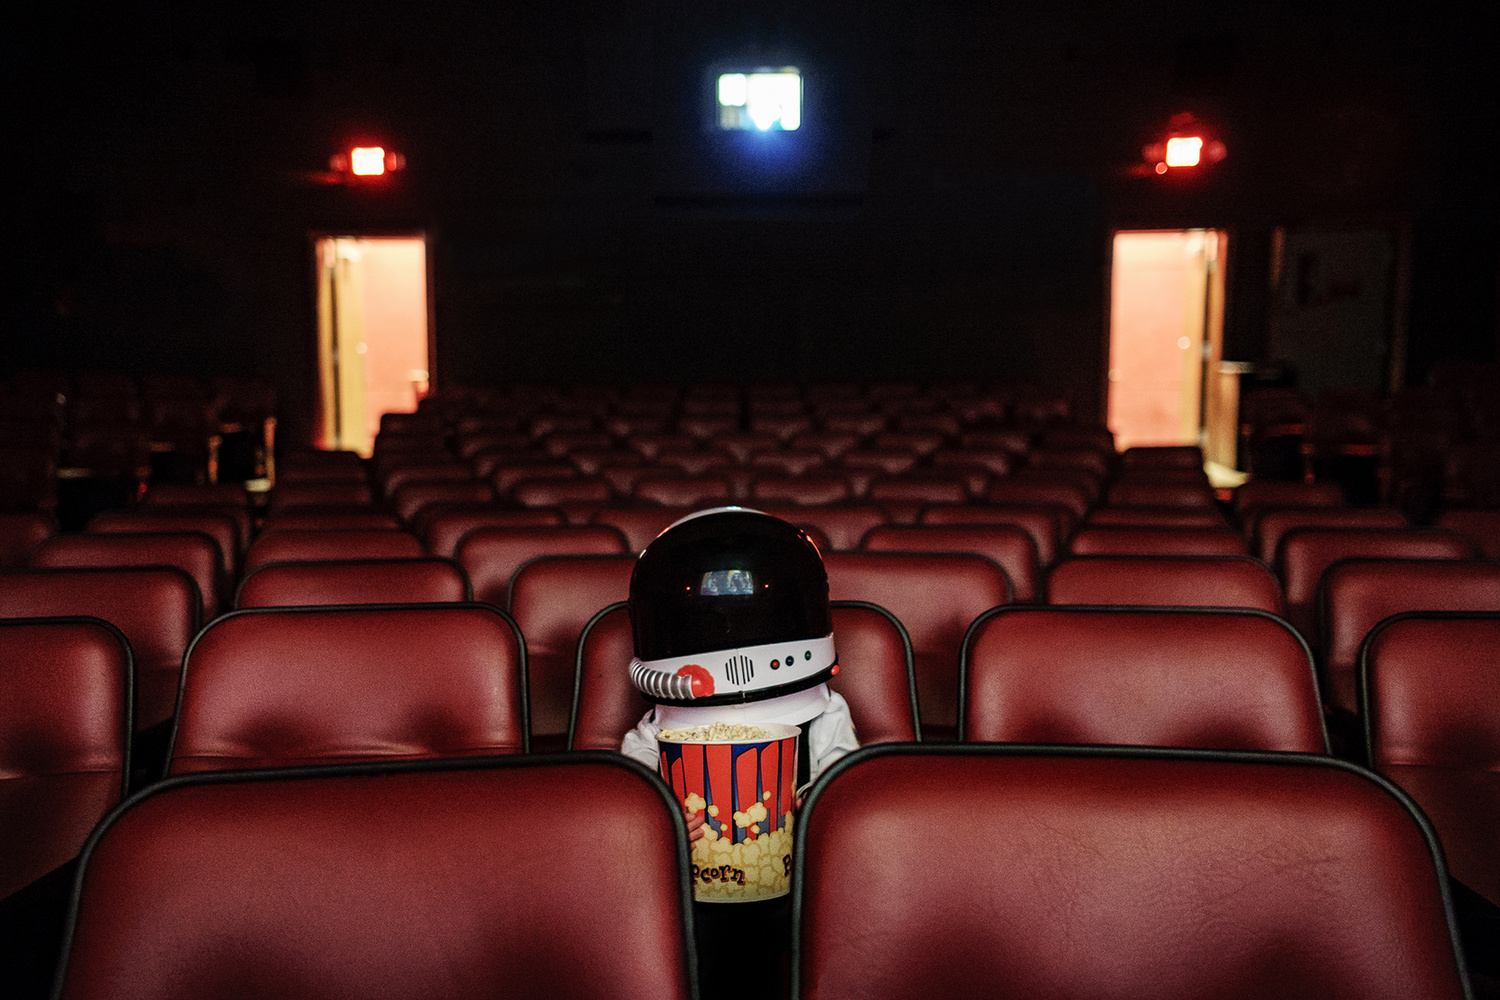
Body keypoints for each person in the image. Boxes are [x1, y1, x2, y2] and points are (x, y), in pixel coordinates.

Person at [619, 506, 858, 999]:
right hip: (689, 895)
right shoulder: (658, 725)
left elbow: (848, 787)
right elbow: (628, 794)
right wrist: (660, 818)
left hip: (797, 891)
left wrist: (818, 806)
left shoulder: (825, 712)